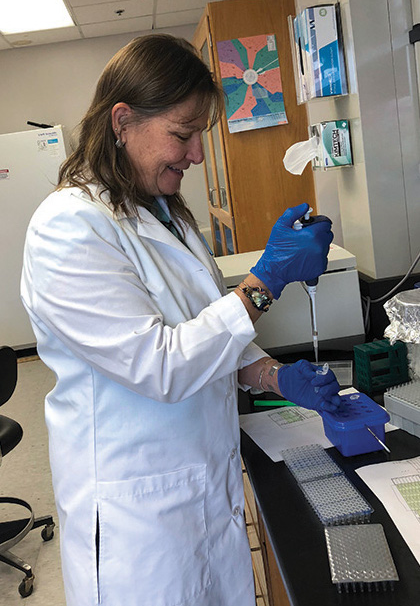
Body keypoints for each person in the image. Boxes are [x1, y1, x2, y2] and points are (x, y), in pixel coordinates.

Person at [21, 34, 340, 606]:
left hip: (201, 494)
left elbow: (209, 333)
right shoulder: (67, 228)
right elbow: (161, 365)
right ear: (122, 121)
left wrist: (271, 376)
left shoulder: (165, 214)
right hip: (137, 524)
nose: (196, 155)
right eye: (182, 134)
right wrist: (265, 282)